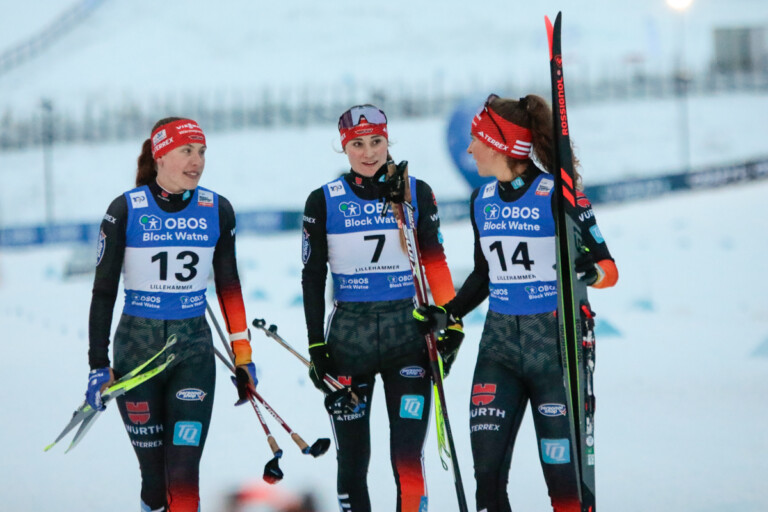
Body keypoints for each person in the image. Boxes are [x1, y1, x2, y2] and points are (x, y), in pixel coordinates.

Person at [414, 94, 619, 512]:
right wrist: (447, 313)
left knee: (562, 481)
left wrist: (585, 270)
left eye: (476, 140)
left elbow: (608, 270)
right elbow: (485, 275)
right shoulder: (482, 201)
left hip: (554, 351)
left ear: (501, 145)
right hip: (499, 348)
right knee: (486, 478)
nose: (469, 148)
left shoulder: (558, 195)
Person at [85, 117, 257, 512]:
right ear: (160, 154)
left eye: (201, 152)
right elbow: (103, 292)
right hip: (136, 347)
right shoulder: (126, 209)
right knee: (153, 479)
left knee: (183, 475)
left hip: (192, 351)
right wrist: (98, 363)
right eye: (186, 151)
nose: (197, 161)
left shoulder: (217, 209)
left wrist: (243, 355)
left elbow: (230, 289)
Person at [300, 104, 462, 512]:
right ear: (344, 148)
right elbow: (312, 278)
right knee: (353, 460)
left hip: (406, 336)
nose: (368, 152)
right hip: (349, 341)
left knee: (407, 456)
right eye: (357, 144)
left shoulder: (415, 192)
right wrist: (316, 346)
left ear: (388, 141)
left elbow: (435, 262)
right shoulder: (323, 200)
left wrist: (452, 324)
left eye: (376, 141)